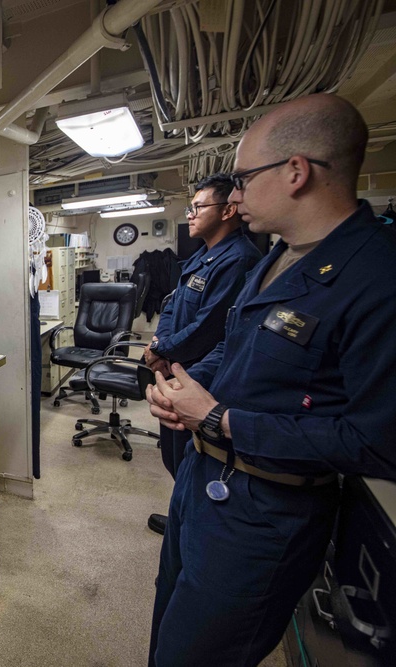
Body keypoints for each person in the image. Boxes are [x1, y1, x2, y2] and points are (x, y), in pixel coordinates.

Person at [146, 93, 396, 666]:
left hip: (264, 509)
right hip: (203, 477)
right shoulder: (278, 258)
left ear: (296, 172)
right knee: (167, 636)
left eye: (242, 178)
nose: (234, 197)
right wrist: (184, 387)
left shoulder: (375, 275)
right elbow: (235, 351)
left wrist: (220, 418)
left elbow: (377, 440)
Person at [142, 175, 261, 535]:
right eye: (189, 208)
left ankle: (190, 526)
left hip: (202, 378)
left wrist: (162, 349)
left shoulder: (238, 260)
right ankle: (183, 515)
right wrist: (160, 346)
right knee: (175, 454)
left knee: (195, 459)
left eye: (198, 207)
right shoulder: (203, 256)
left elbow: (209, 327)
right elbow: (175, 309)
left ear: (228, 210)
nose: (190, 215)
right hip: (177, 369)